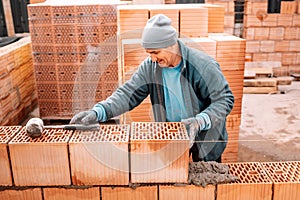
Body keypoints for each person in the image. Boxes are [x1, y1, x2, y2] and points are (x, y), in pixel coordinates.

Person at [70, 14, 234, 162]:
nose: (153, 59)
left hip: (205, 138)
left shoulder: (202, 65)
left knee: (203, 186)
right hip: (172, 136)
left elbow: (224, 100)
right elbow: (127, 94)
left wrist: (199, 122)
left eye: (155, 52)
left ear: (171, 44)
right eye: (149, 53)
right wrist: (98, 112)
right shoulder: (150, 67)